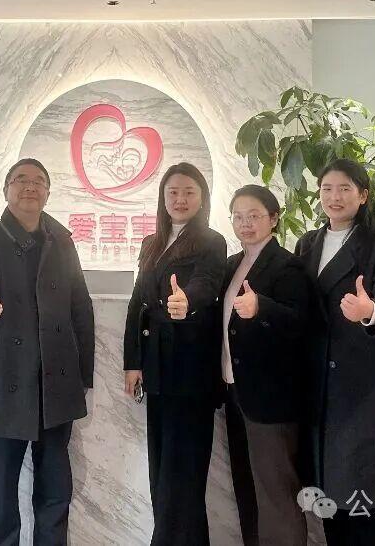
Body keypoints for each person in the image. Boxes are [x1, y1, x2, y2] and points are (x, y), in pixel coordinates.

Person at [0, 158, 95, 546]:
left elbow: (80, 307)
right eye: (20, 180)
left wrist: (83, 374)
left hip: (55, 379)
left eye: (38, 181)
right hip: (4, 378)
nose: (30, 187)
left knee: (55, 485)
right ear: (6, 191)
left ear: (48, 192)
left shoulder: (62, 241)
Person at [294, 158, 375, 546]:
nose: (335, 196)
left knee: (365, 492)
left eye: (345, 188)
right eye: (327, 188)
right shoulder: (307, 244)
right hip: (316, 385)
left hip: (361, 385)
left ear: (363, 196)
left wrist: (369, 310)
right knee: (329, 492)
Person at [123, 162, 227, 546]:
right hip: (157, 371)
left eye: (189, 192)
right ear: (162, 198)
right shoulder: (152, 243)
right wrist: (132, 362)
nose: (180, 199)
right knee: (161, 470)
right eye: (173, 192)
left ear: (202, 199)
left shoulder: (212, 241)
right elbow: (137, 304)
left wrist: (187, 302)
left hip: (191, 372)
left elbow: (206, 284)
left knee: (183, 474)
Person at [221, 185, 310, 546]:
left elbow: (302, 323)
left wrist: (262, 308)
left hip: (271, 397)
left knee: (277, 493)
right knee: (246, 488)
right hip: (235, 390)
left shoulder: (287, 266)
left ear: (273, 218)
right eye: (238, 216)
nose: (245, 223)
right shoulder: (232, 264)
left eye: (254, 215)